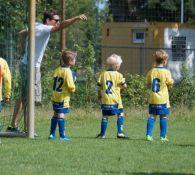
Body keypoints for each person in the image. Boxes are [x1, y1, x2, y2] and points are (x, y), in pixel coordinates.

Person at [7, 9, 87, 132]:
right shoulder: (45, 28)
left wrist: (27, 49)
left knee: (22, 96)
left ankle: (14, 125)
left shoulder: (36, 25)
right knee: (31, 97)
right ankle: (28, 129)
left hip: (24, 64)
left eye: (58, 20)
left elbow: (22, 33)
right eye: (56, 20)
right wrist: (76, 18)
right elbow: (63, 25)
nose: (58, 22)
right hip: (33, 67)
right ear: (48, 21)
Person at [145, 49, 174, 142]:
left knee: (152, 116)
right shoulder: (166, 72)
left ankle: (149, 135)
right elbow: (170, 83)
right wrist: (169, 86)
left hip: (153, 98)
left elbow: (148, 84)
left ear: (155, 60)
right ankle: (163, 137)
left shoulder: (151, 71)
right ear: (165, 61)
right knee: (163, 116)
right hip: (163, 99)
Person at [96, 54, 127, 139]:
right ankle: (120, 132)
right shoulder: (119, 75)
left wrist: (99, 95)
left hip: (105, 99)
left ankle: (102, 134)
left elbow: (98, 87)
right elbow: (124, 86)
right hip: (116, 100)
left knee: (105, 116)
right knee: (120, 114)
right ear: (117, 66)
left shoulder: (103, 74)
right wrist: (121, 87)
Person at [48, 50, 76, 141]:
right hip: (63, 97)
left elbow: (53, 81)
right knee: (61, 115)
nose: (75, 61)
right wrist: (73, 88)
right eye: (74, 59)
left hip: (55, 96)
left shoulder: (57, 69)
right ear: (70, 61)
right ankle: (62, 136)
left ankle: (52, 134)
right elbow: (71, 86)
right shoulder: (68, 71)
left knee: (55, 114)